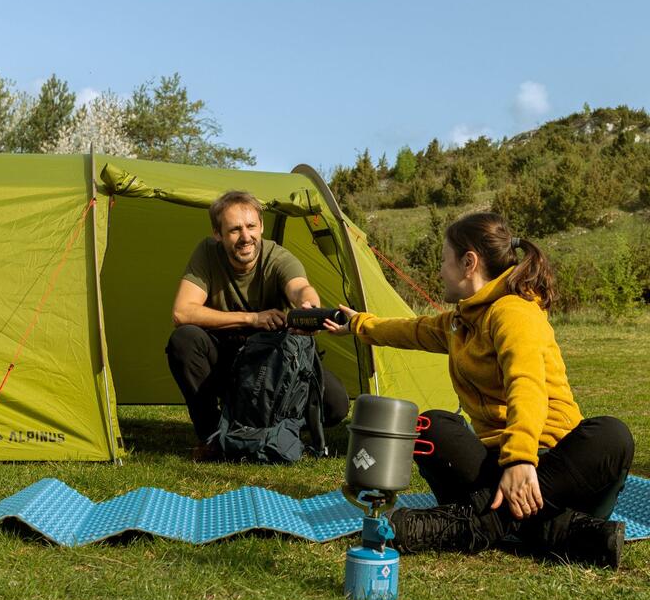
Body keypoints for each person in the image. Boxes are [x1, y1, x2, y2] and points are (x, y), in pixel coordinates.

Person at [325, 212, 634, 568]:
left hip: (557, 470)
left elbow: (527, 385)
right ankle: (563, 533)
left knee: (612, 434)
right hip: (499, 469)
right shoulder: (462, 322)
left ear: (469, 262)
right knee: (432, 425)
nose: (440, 270)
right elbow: (411, 330)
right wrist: (357, 324)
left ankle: (469, 526)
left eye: (444, 260)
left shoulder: (514, 314)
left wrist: (521, 460)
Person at [166, 190, 349, 456]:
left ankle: (273, 426)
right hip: (225, 364)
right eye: (234, 230)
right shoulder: (207, 253)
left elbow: (301, 288)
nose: (245, 237)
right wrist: (252, 318)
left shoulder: (277, 257)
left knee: (335, 405)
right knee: (184, 340)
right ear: (218, 234)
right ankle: (213, 436)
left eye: (251, 226)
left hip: (274, 367)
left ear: (261, 226)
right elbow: (181, 312)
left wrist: (309, 307)